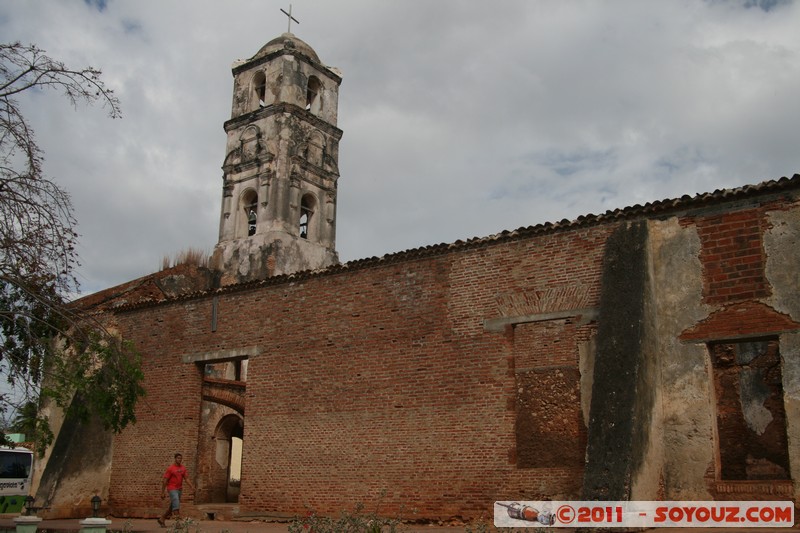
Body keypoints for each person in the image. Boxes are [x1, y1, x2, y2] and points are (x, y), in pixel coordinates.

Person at [158, 453, 194, 527]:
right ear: (175, 459)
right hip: (172, 489)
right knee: (176, 504)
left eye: (180, 458)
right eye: (178, 458)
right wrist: (162, 492)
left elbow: (186, 478)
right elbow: (165, 480)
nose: (179, 460)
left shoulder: (183, 468)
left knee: (173, 506)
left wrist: (191, 486)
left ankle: (162, 518)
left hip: (179, 489)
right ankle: (177, 523)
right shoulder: (171, 468)